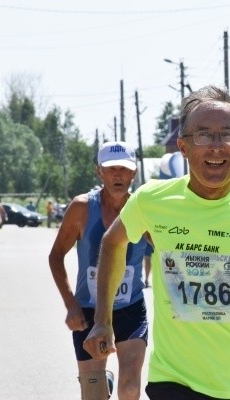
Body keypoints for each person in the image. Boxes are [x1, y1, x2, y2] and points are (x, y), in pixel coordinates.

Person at [83, 85, 230, 400]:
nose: (216, 146)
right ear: (183, 146)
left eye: (228, 135)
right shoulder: (152, 200)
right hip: (173, 380)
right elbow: (113, 243)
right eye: (203, 135)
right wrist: (103, 320)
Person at [48, 141, 150, 400]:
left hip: (130, 308)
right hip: (89, 310)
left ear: (134, 172)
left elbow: (167, 249)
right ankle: (102, 382)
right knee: (93, 394)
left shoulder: (144, 209)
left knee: (130, 390)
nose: (118, 175)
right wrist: (71, 304)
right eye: (111, 169)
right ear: (99, 172)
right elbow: (56, 255)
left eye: (124, 169)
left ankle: (112, 383)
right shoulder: (82, 208)